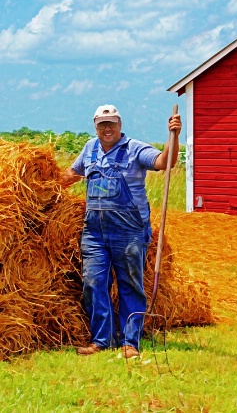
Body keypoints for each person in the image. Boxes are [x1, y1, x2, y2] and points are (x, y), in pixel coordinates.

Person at [61, 104, 182, 358]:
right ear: (95, 126)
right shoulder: (89, 149)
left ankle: (130, 342)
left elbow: (164, 162)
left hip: (129, 231)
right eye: (102, 124)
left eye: (112, 123)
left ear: (120, 125)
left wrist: (174, 136)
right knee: (94, 284)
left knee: (129, 285)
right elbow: (73, 173)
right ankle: (102, 340)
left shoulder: (134, 149)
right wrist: (41, 181)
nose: (107, 128)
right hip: (94, 231)